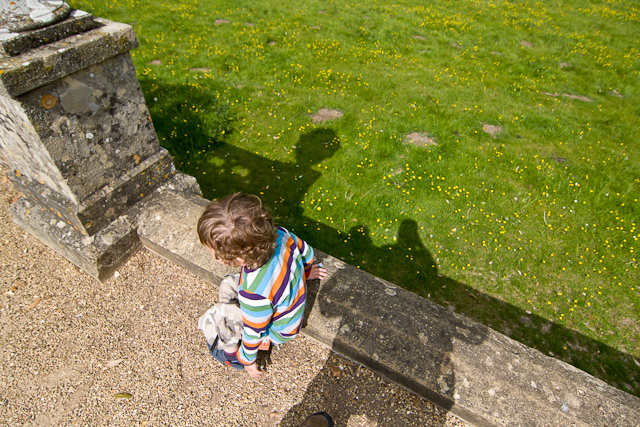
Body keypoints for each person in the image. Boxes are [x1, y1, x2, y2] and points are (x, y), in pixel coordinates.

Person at [197, 192, 327, 378]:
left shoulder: (253, 294)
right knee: (228, 285)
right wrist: (308, 269)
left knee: (222, 342)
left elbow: (253, 332)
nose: (211, 255)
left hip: (278, 329)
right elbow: (306, 250)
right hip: (285, 299)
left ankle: (233, 356)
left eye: (212, 252)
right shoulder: (280, 234)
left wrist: (247, 359)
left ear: (239, 258)